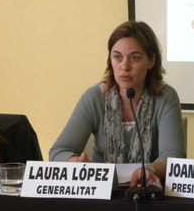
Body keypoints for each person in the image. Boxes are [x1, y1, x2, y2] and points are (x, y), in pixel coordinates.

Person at [49, 21, 186, 188]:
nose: (124, 66)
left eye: (135, 58)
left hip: (148, 191)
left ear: (152, 61)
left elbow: (174, 157)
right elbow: (58, 151)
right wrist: (77, 164)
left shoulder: (165, 97)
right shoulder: (94, 97)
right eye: (117, 57)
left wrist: (149, 169)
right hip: (102, 192)